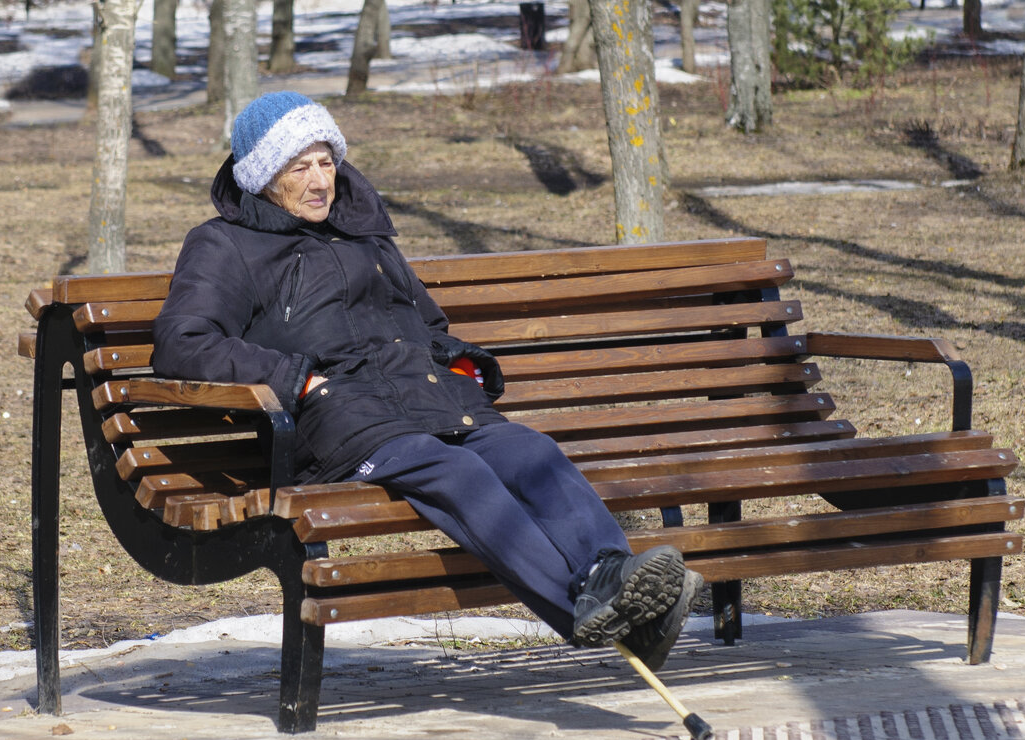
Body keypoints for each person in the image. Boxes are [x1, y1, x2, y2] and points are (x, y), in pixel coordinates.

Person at [152, 91, 703, 671]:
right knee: (457, 472)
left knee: (528, 450)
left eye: (327, 162)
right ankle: (589, 614)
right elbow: (183, 342)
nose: (321, 181)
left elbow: (426, 322)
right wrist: (297, 378)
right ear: (264, 177)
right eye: (300, 168)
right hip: (335, 423)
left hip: (426, 399)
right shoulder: (226, 245)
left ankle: (611, 575)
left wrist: (457, 358)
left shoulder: (362, 233)